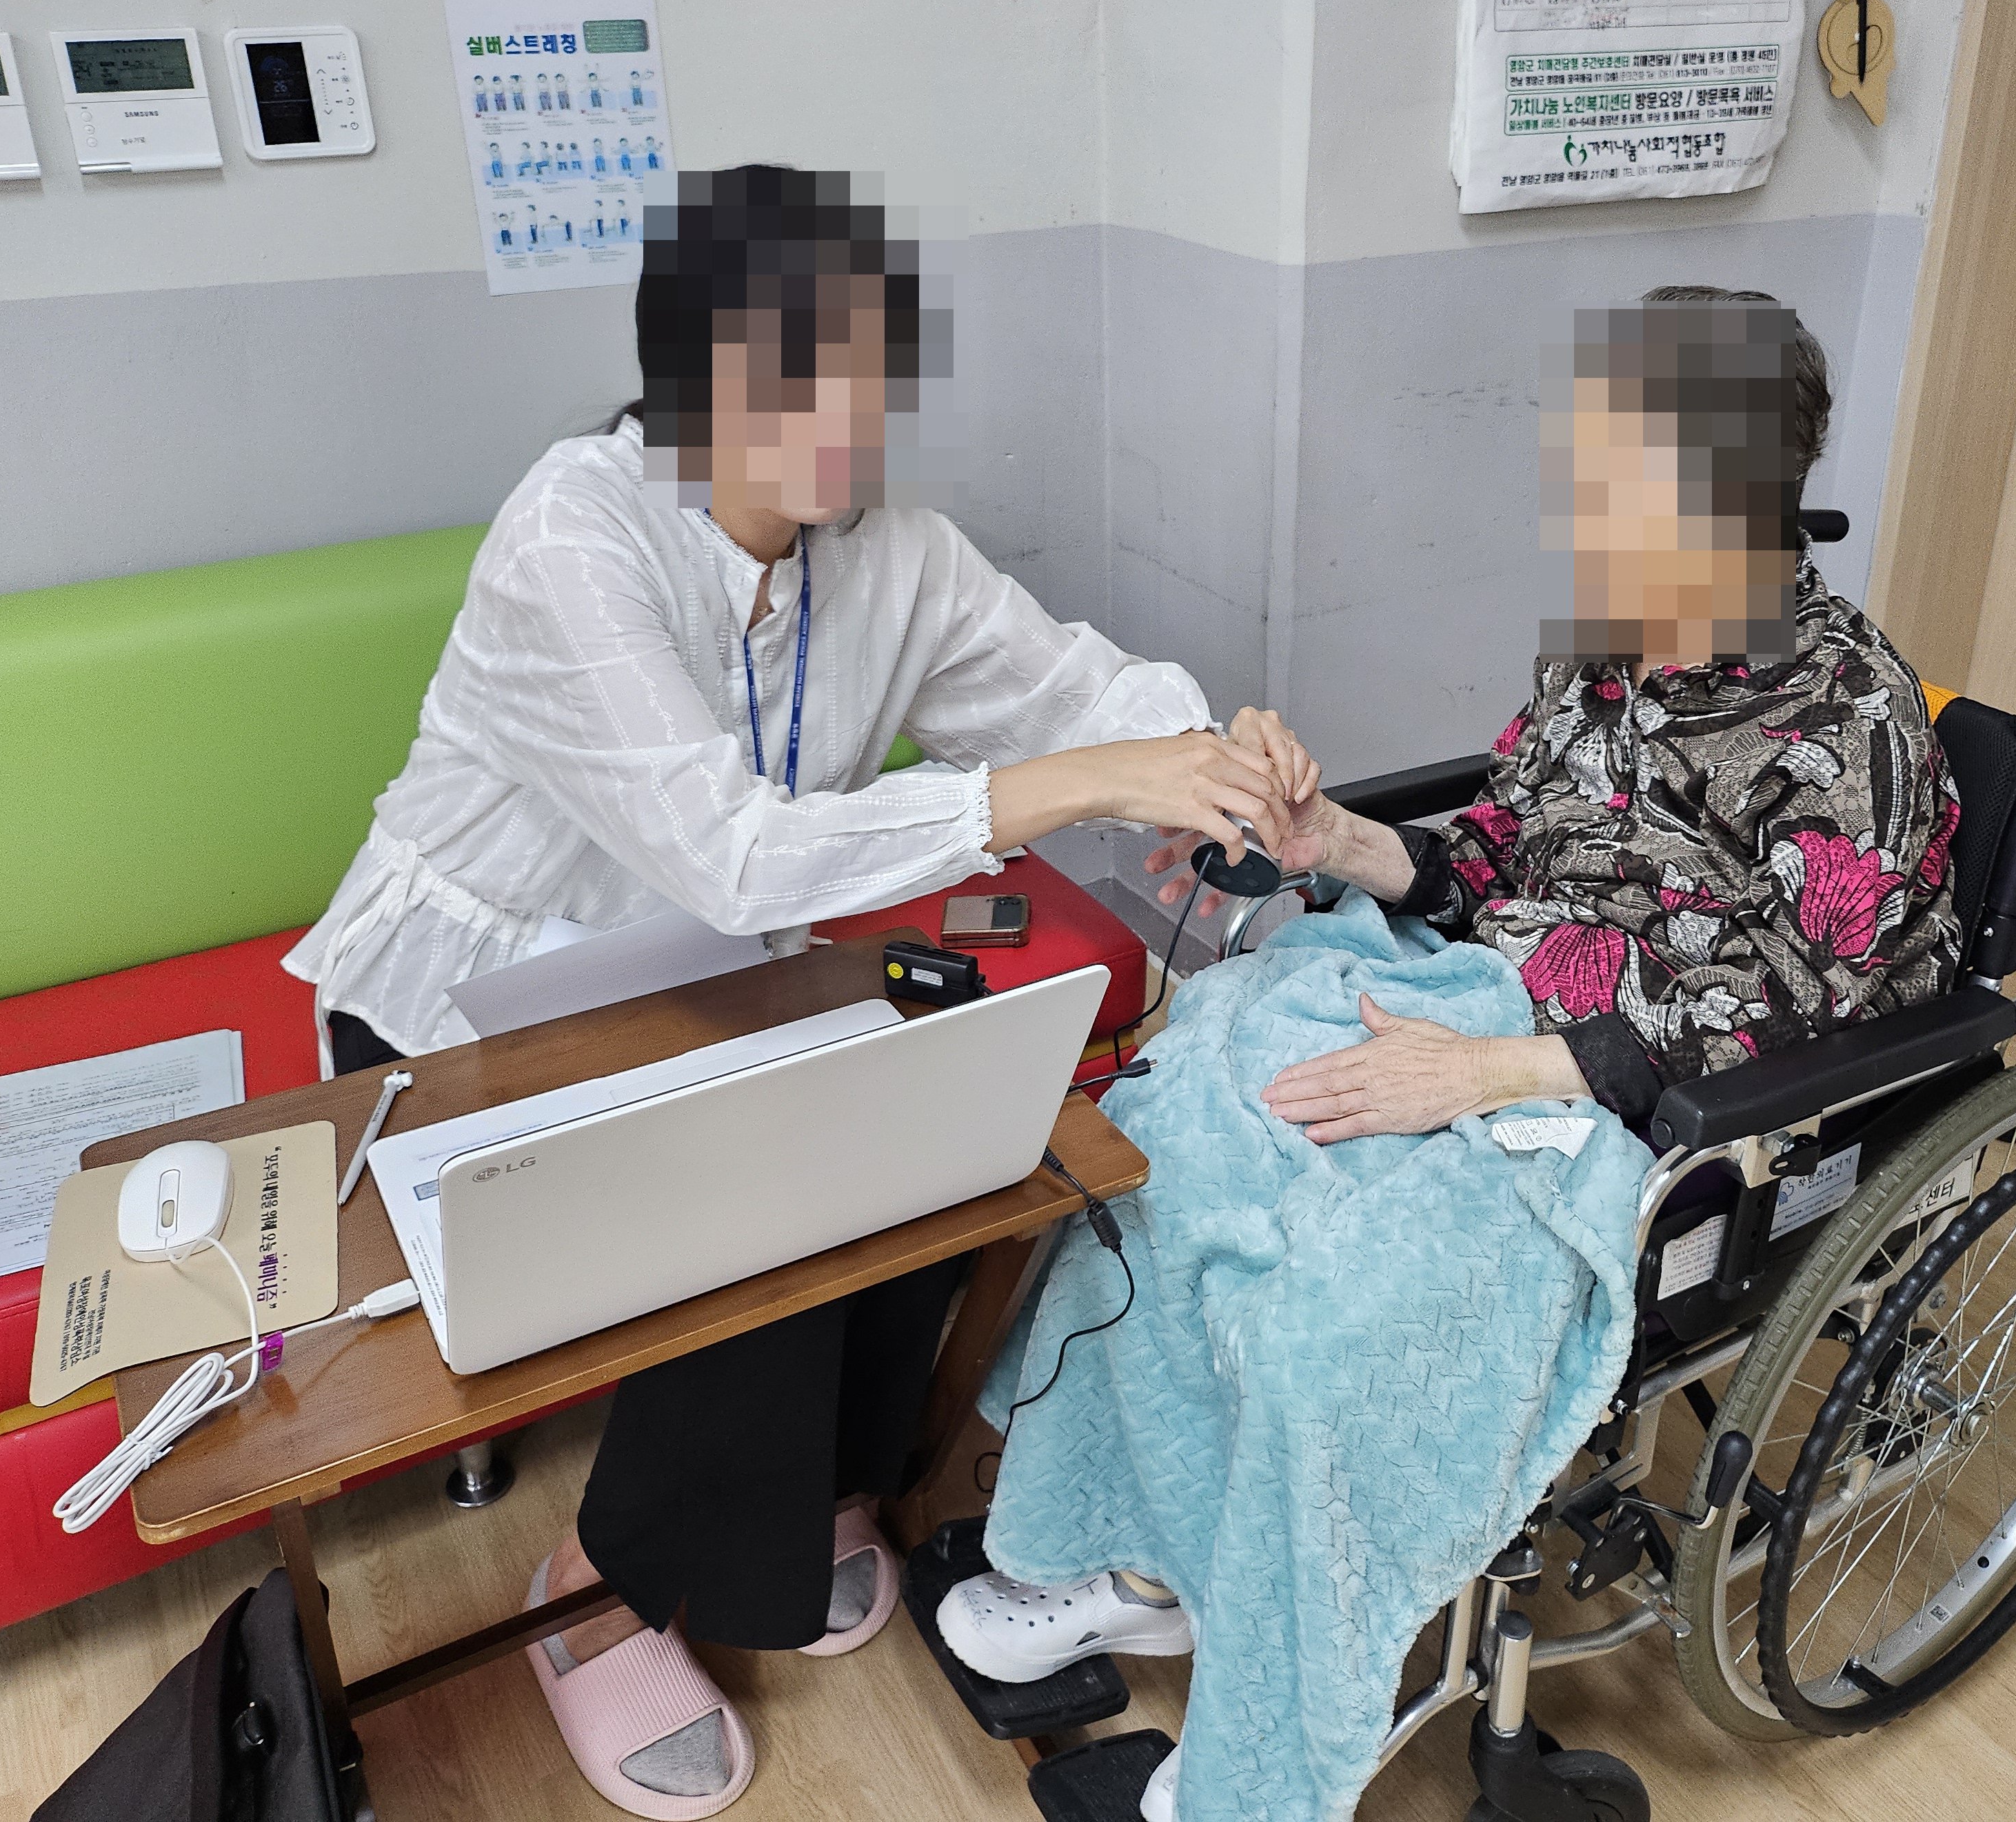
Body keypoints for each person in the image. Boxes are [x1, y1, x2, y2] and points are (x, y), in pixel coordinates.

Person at [285, 165, 1311, 1821]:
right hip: (466, 1007)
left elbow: (1064, 688)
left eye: (865, 366)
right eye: (794, 370)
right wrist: (1064, 786)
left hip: (700, 981)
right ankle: (601, 1587)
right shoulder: (576, 529)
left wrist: (1206, 749)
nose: (845, 411)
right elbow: (731, 855)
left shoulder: (888, 551)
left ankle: (810, 1488)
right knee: (755, 1201)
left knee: (940, 1135)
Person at [937, 290, 1964, 1822]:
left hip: (1648, 1106)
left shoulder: (1853, 720)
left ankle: (1274, 1728)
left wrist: (1492, 1075)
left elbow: (1817, 1003)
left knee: (1320, 1332)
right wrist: (1333, 844)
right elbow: (1498, 853)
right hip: (1470, 998)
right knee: (1163, 1158)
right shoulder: (1607, 647)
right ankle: (1149, 1565)